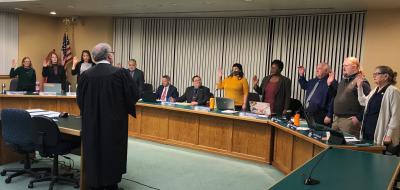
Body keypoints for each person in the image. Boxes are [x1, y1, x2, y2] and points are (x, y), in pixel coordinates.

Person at [77, 43, 139, 190]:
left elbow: (80, 100)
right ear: (109, 56)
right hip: (114, 123)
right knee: (111, 151)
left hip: (91, 123)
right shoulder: (120, 73)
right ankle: (111, 185)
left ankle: (94, 183)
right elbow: (133, 95)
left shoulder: (85, 76)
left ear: (94, 57)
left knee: (93, 148)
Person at [356, 66, 400, 146]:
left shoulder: (393, 91)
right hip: (367, 131)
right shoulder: (375, 90)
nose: (374, 76)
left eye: (376, 74)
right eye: (374, 74)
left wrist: (389, 134)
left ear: (386, 76)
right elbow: (363, 102)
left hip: (380, 132)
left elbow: (396, 115)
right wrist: (359, 87)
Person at [328, 57, 371, 136]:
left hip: (349, 122)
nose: (343, 68)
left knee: (347, 146)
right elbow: (336, 96)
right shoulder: (344, 80)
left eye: (346, 65)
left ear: (354, 67)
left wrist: (359, 117)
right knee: (333, 145)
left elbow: (368, 103)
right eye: (343, 65)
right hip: (336, 119)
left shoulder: (361, 81)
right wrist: (330, 85)